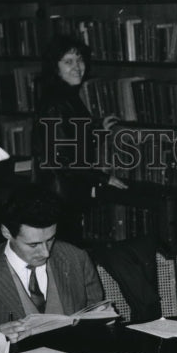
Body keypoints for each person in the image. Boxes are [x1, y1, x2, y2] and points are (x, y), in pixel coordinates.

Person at [0, 185, 105, 344]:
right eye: (33, 245)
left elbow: (97, 321)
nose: (46, 252)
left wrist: (101, 319)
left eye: (50, 240)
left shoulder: (76, 258)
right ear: (7, 232)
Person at [33, 34, 127, 242]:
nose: (77, 67)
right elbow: (62, 158)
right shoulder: (56, 102)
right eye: (68, 62)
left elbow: (70, 137)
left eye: (80, 60)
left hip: (66, 192)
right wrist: (103, 177)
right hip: (58, 197)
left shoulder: (66, 94)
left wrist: (98, 129)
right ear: (54, 67)